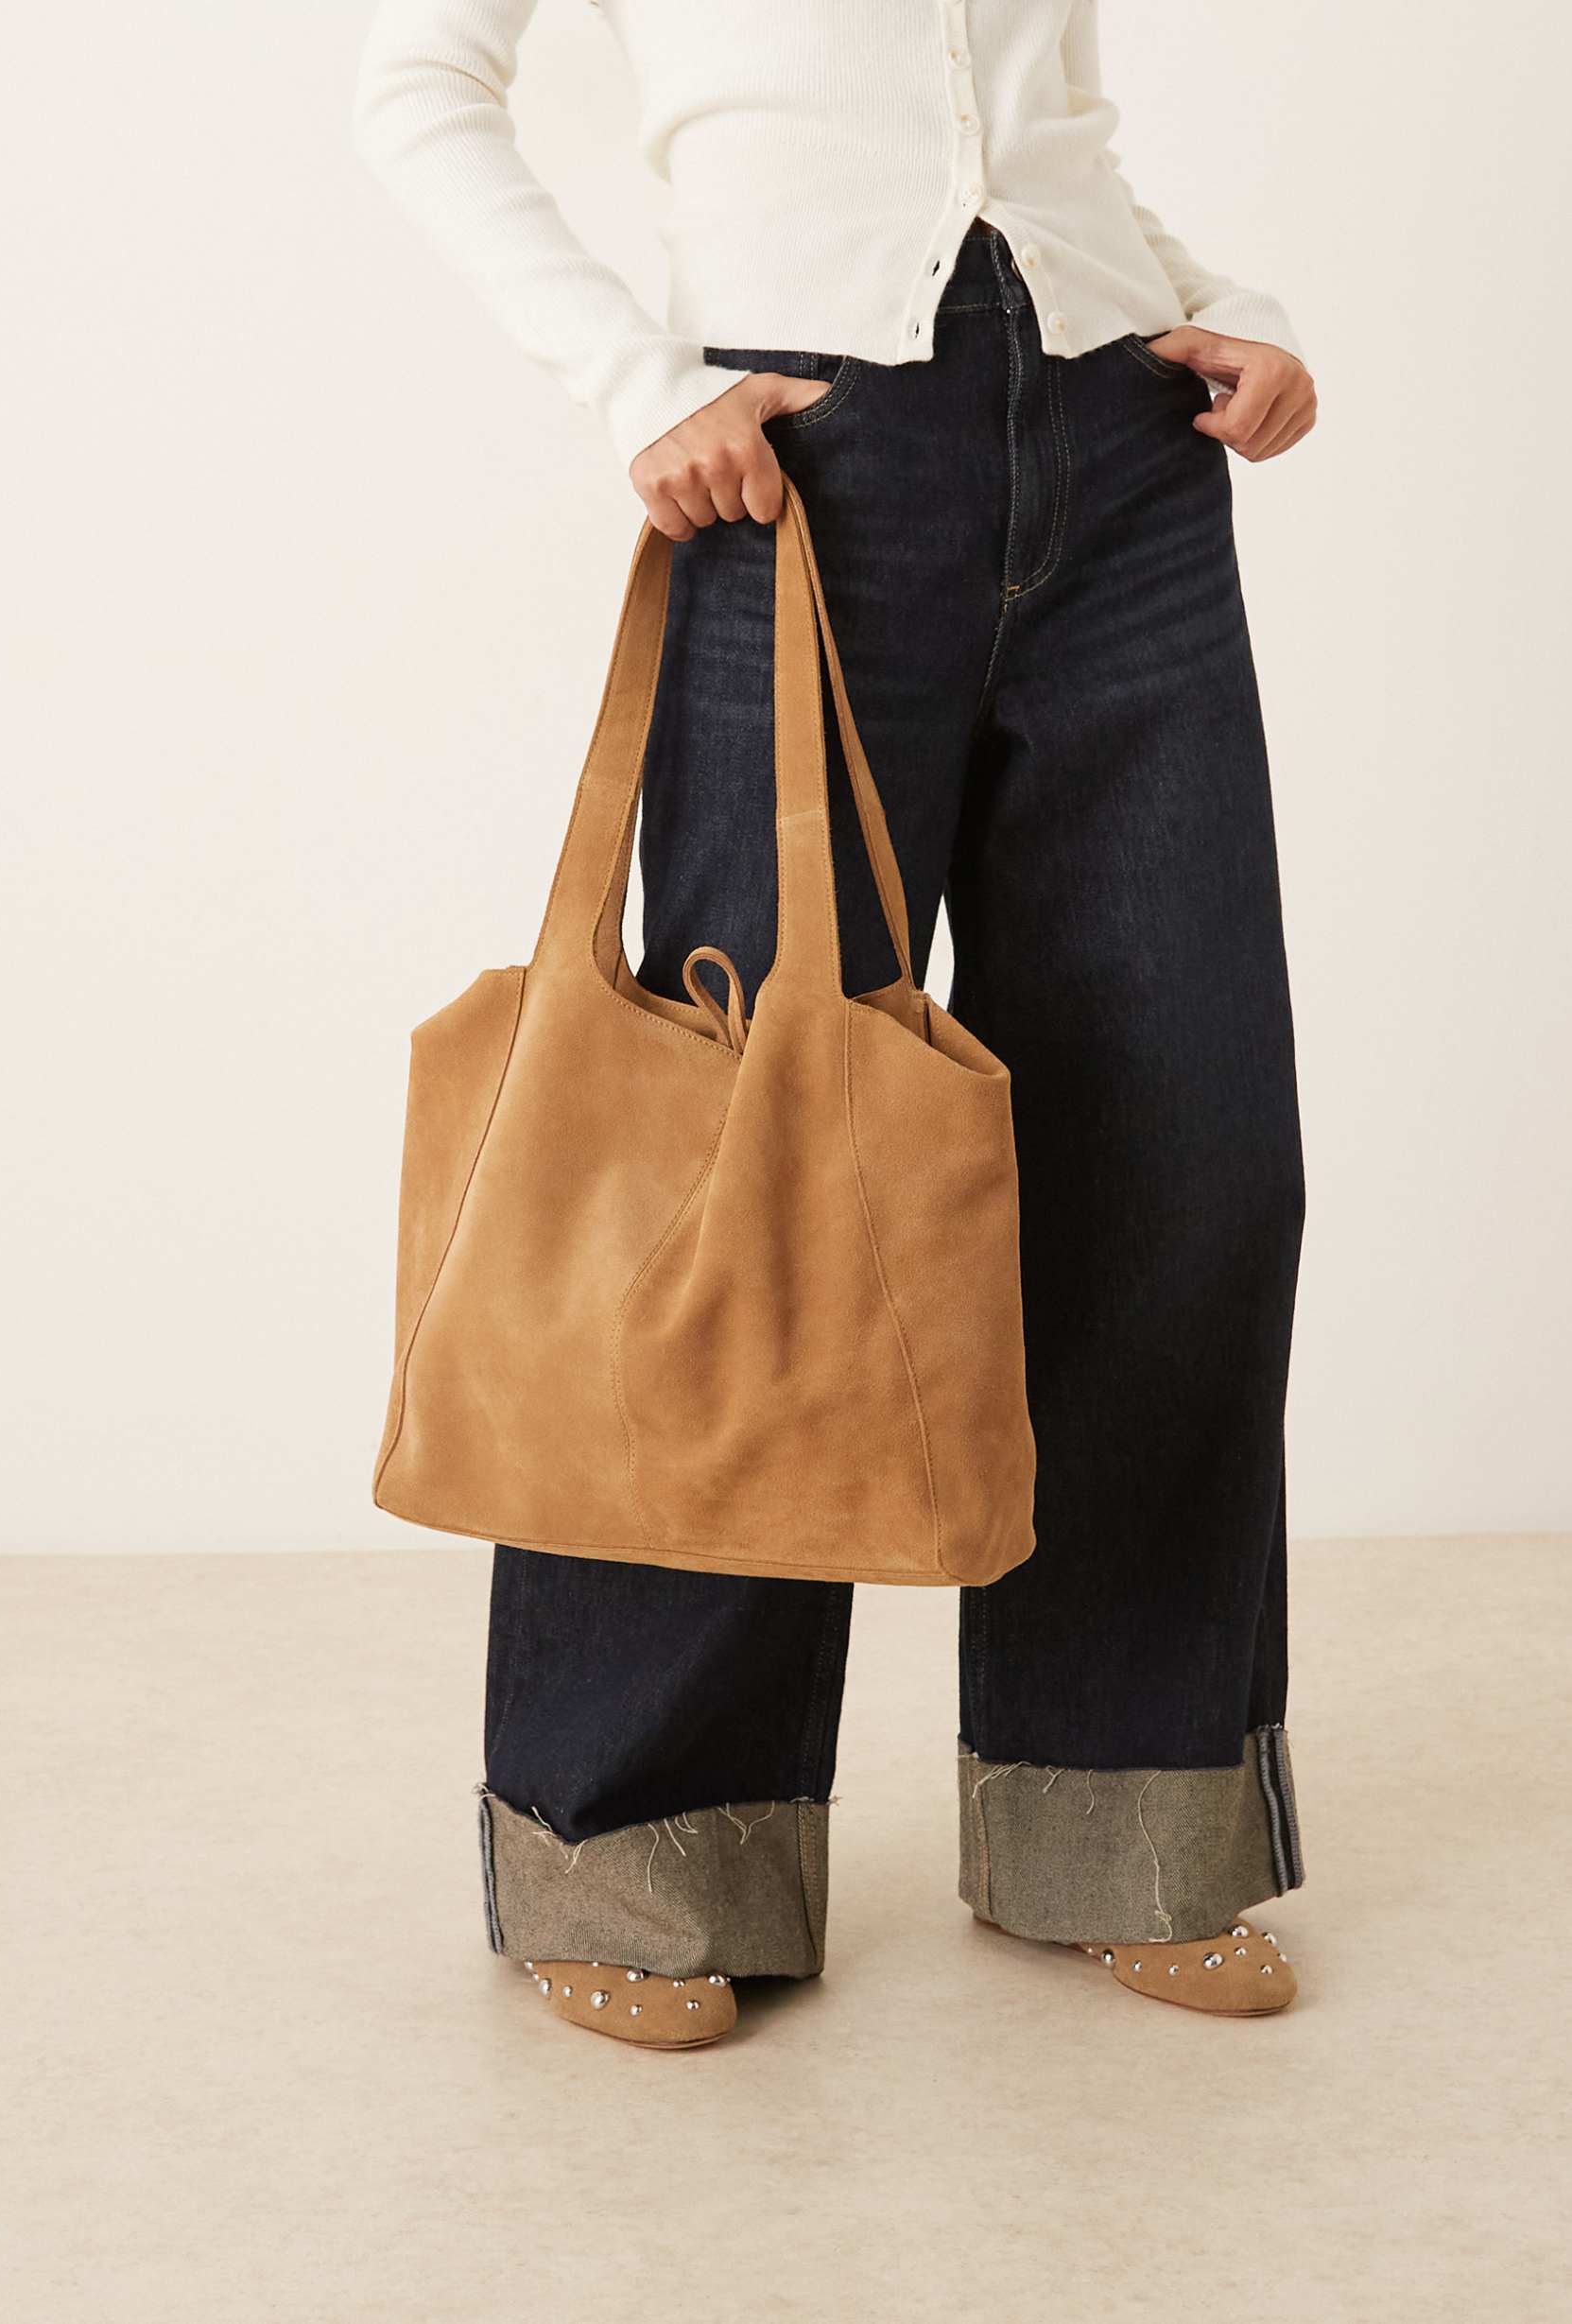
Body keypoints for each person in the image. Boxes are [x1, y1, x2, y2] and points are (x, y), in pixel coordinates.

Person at [354, 0, 1314, 2045]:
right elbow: (416, 82)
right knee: (741, 1171)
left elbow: (1029, 124)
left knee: (1180, 1148)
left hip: (1126, 455)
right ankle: (639, 1840)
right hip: (800, 468)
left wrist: (1215, 300)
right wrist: (639, 379)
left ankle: (1121, 1818)